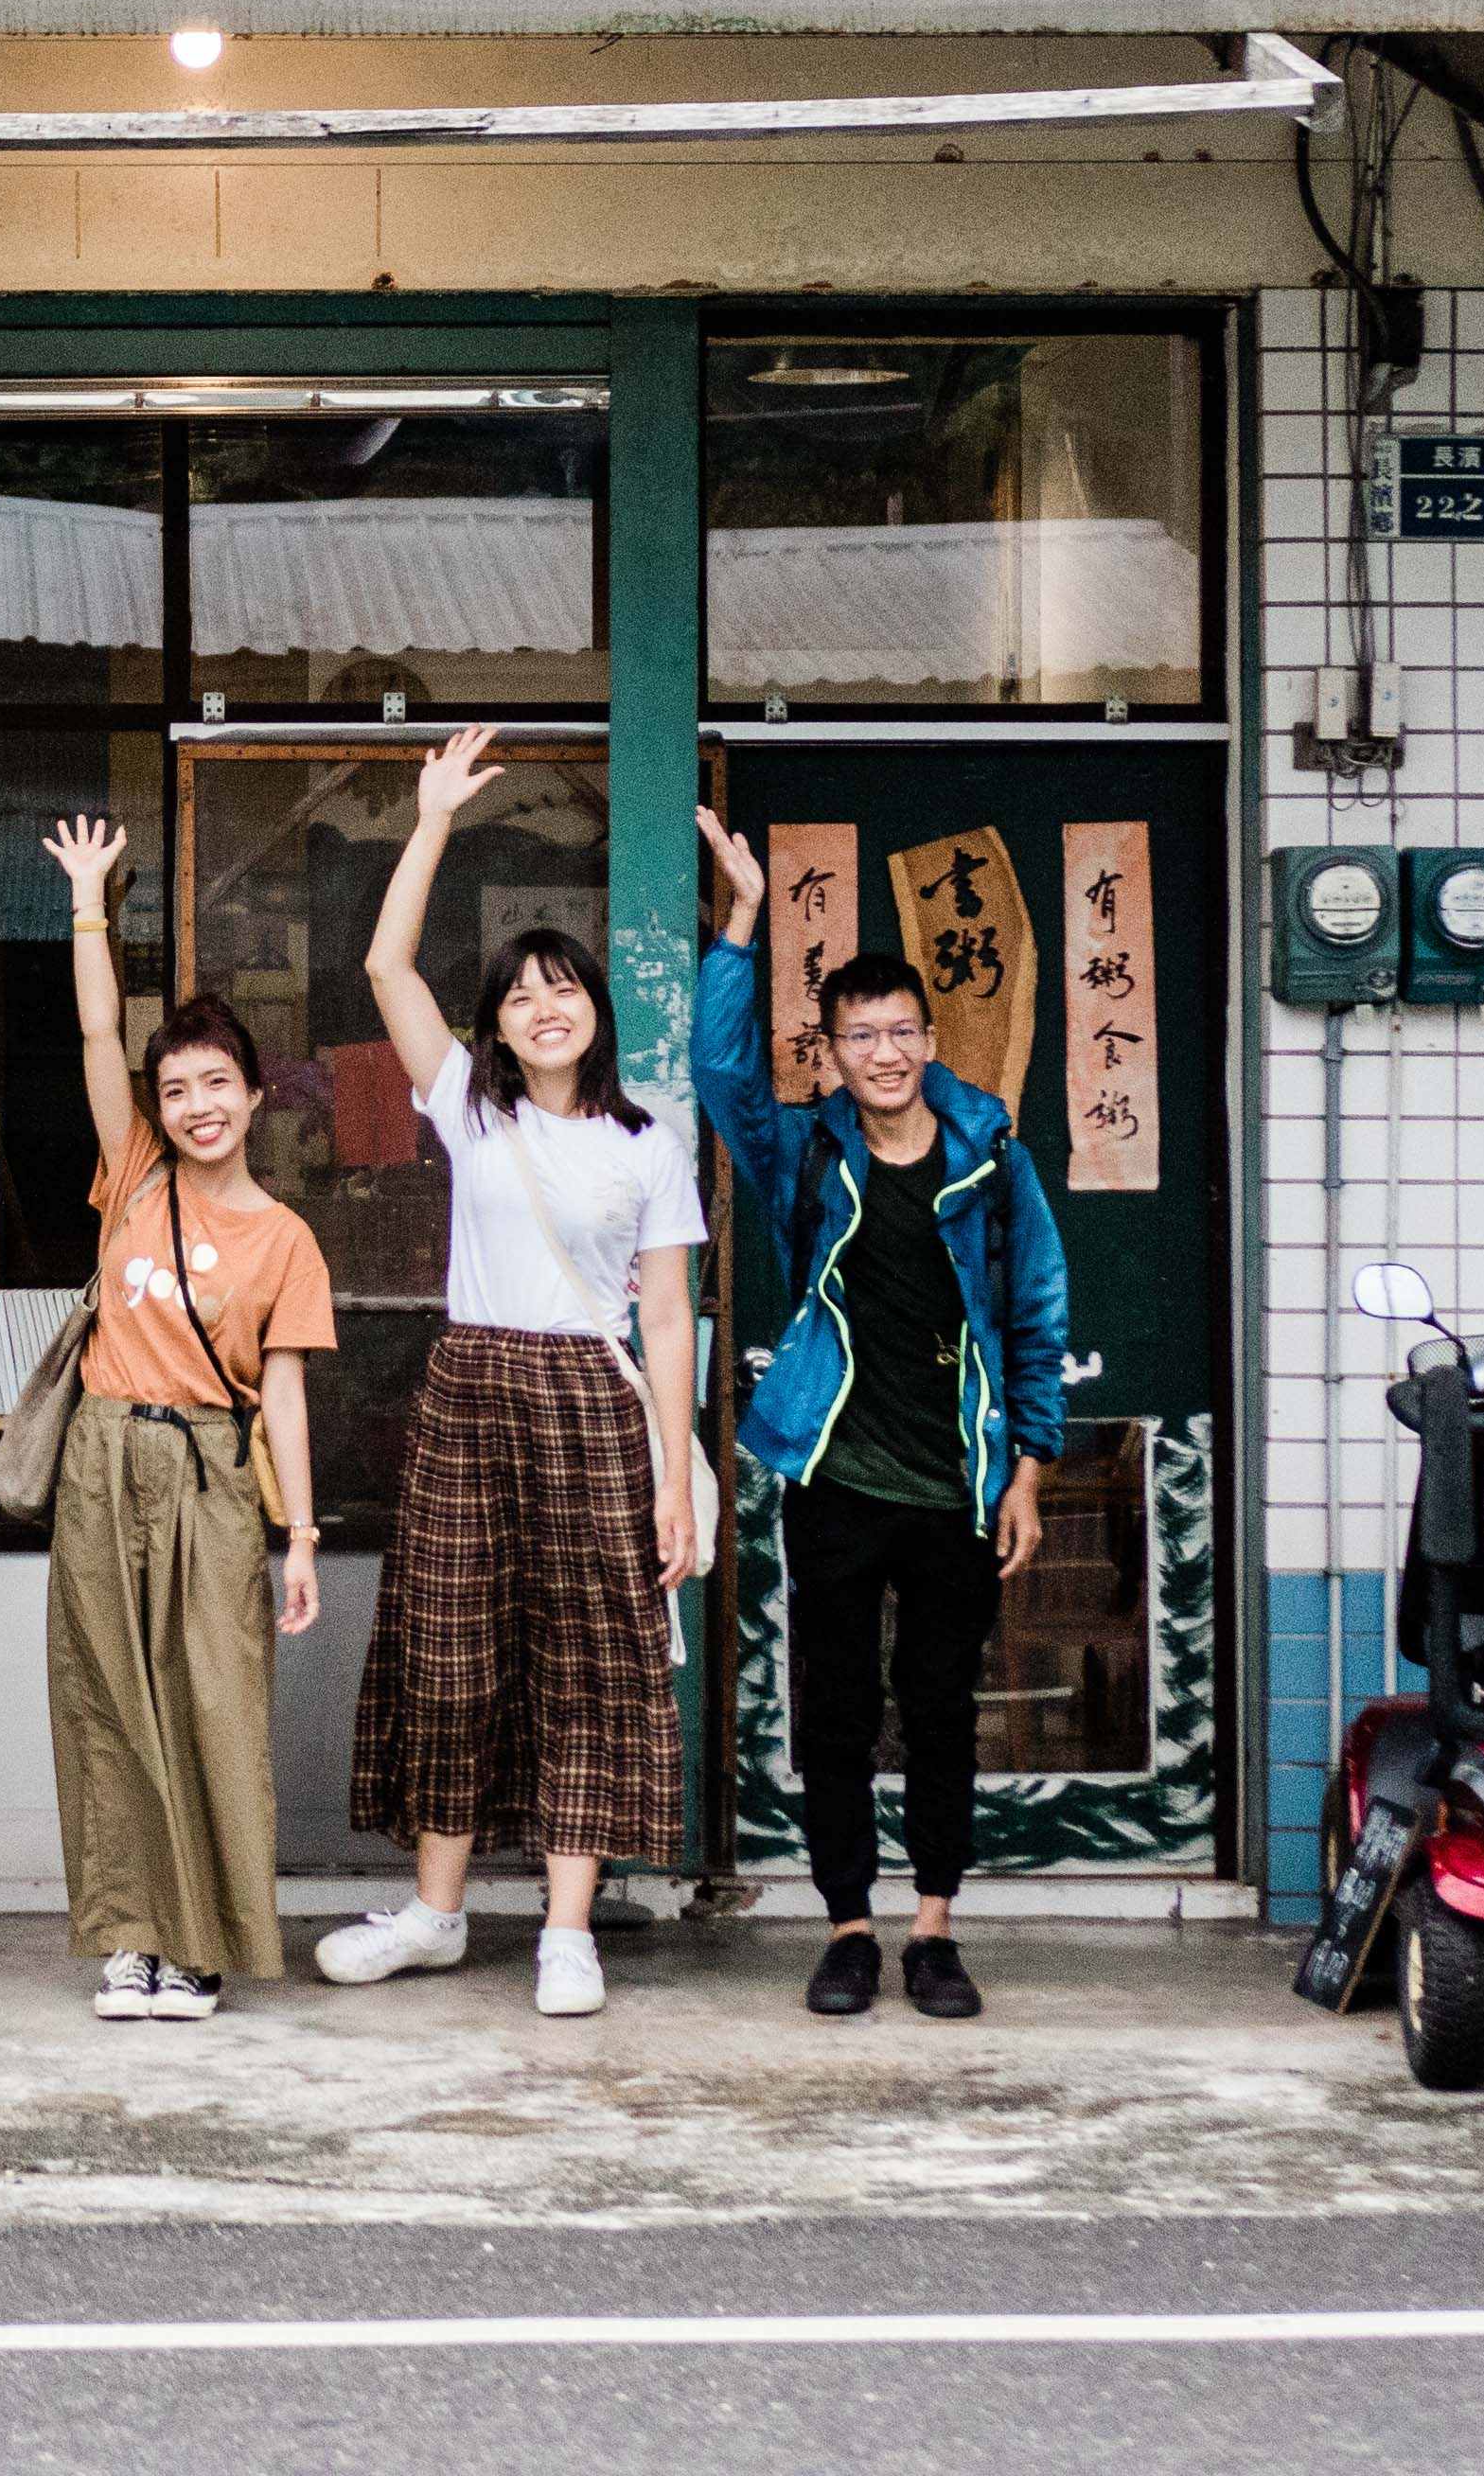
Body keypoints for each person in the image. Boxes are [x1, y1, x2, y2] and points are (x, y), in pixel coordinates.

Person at [316, 727, 708, 2018]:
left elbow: (666, 1319)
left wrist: (673, 1478)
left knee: (587, 1658)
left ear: (596, 1010)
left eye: (566, 989)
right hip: (471, 1390)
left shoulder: (647, 1142)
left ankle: (566, 1929)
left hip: (594, 1402)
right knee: (450, 1648)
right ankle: (435, 1915)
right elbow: (385, 966)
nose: (546, 1008)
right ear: (494, 1023)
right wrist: (430, 819)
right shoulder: (468, 1108)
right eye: (521, 995)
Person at [690, 809, 1070, 2021]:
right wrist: (742, 925)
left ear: (928, 1037)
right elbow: (719, 1075)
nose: (886, 1052)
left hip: (957, 1485)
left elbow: (1037, 1318)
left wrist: (1028, 1472)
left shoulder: (992, 1159)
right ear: (836, 1050)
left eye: (903, 1030)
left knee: (944, 1711)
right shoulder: (807, 1155)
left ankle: (936, 1930)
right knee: (841, 1714)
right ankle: (850, 1927)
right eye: (861, 1035)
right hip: (838, 1479)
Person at [37, 812, 333, 2024]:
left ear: (256, 1094)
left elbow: (287, 1395)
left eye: (218, 1083)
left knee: (213, 1700)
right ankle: (132, 1940)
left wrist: (300, 1535)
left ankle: (201, 1946)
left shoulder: (286, 1239)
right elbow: (96, 1031)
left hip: (213, 1470)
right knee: (109, 1697)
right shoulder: (134, 1178)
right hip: (105, 1451)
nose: (198, 1104)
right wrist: (88, 903)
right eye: (176, 1090)